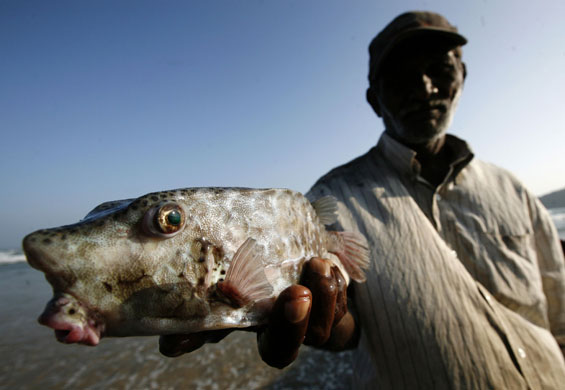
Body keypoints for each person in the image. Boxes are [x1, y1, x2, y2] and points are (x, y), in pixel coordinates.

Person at [160, 11, 565, 389]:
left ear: (462, 75)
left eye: (440, 70)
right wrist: (316, 319)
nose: (425, 88)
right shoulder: (327, 200)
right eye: (403, 78)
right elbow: (348, 330)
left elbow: (556, 292)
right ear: (374, 99)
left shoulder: (512, 188)